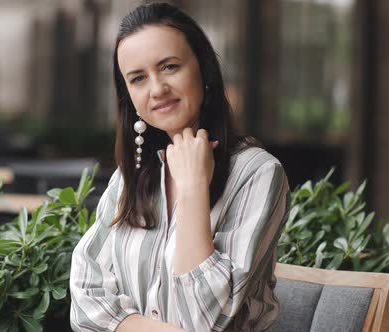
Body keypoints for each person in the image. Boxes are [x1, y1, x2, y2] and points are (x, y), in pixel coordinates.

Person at [69, 2, 290, 331]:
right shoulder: (131, 178)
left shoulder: (258, 174)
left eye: (170, 67)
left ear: (203, 69)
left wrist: (193, 189)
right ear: (127, 94)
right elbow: (85, 299)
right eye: (138, 78)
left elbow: (206, 320)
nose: (157, 89)